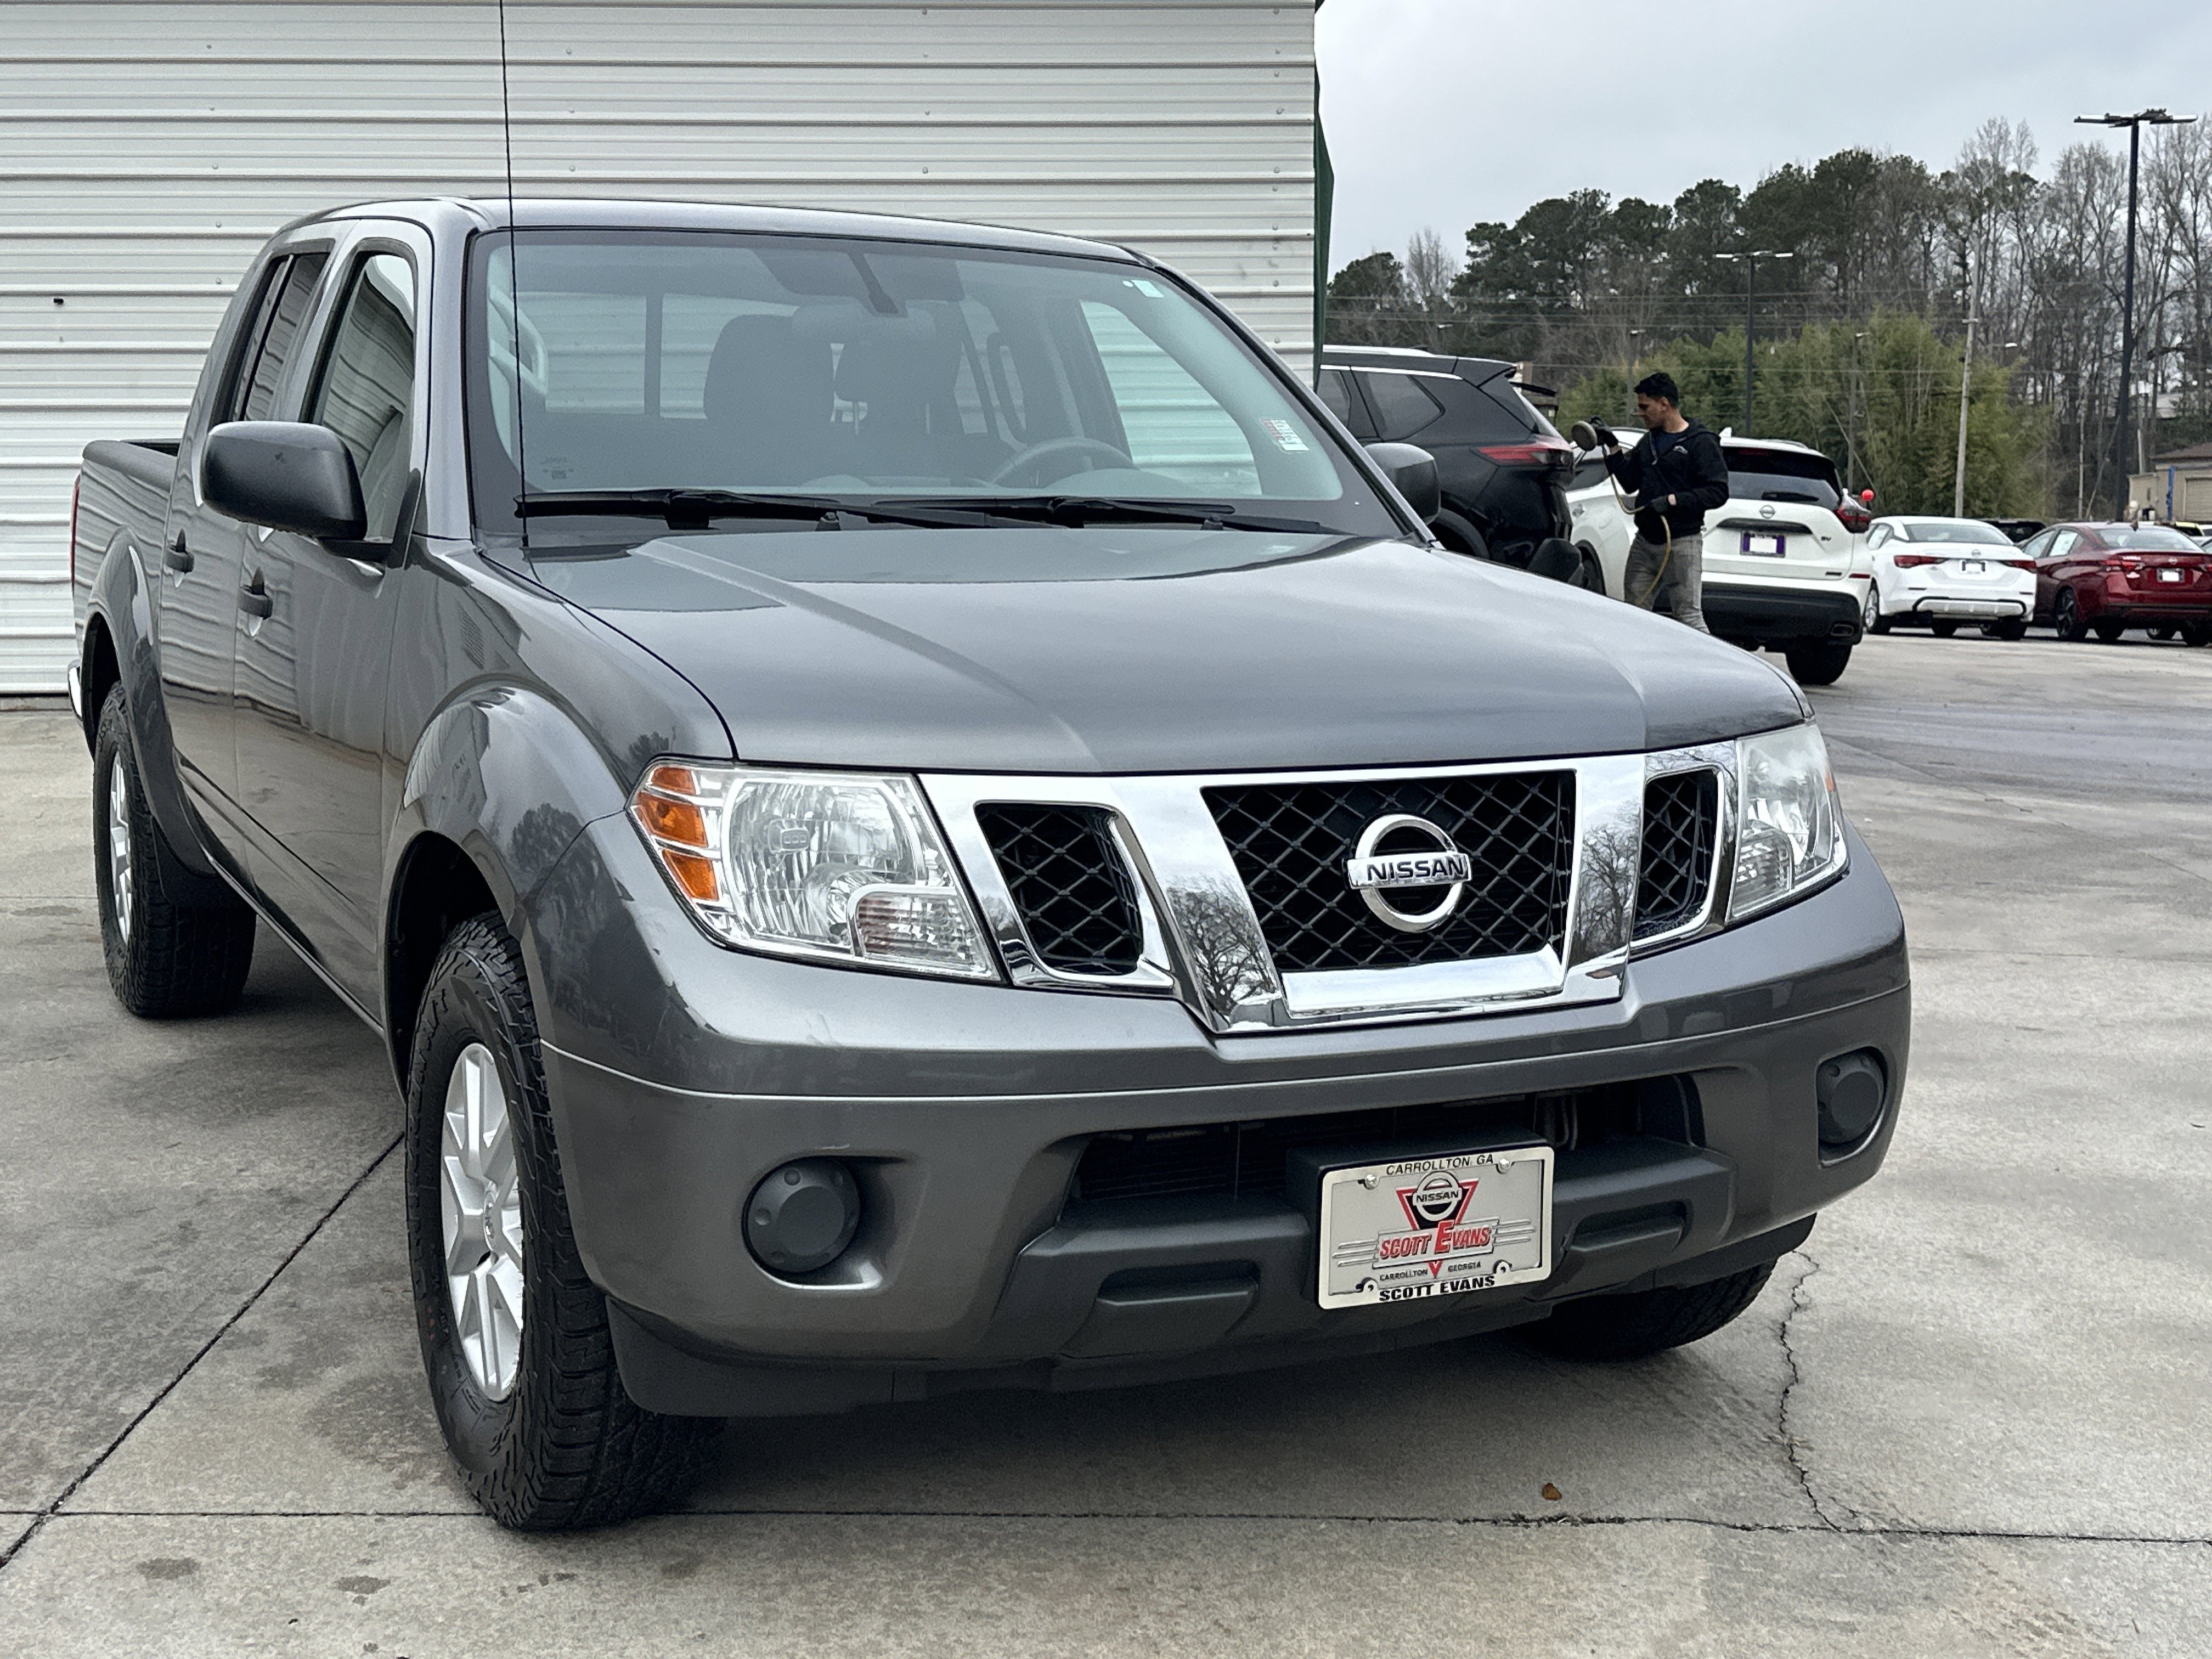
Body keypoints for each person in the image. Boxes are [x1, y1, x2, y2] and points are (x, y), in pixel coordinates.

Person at [1601, 373, 1730, 631]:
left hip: (1682, 543)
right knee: (1633, 615)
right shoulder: (1649, 442)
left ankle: (1706, 668)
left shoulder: (1701, 442)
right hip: (1645, 542)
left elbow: (1718, 492)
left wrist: (1674, 501)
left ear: (1664, 404)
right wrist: (1612, 446)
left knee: (1688, 617)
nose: (1641, 414)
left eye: (1645, 407)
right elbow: (1630, 482)